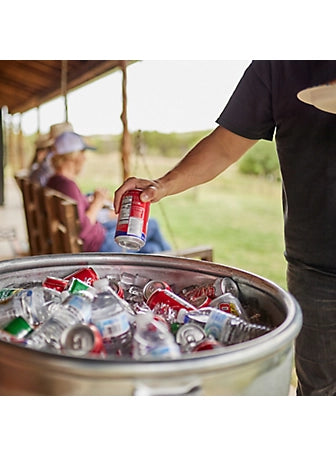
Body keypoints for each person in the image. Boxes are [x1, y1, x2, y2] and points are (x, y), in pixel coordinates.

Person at [113, 60, 336, 396]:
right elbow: (225, 145)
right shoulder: (280, 63)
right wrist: (162, 185)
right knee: (321, 391)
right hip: (317, 268)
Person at [47, 130, 171, 253]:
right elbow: (83, 229)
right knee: (153, 224)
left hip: (96, 236)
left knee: (153, 249)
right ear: (72, 156)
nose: (85, 158)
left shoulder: (54, 182)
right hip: (99, 246)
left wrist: (90, 200)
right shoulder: (67, 185)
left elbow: (77, 213)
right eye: (82, 152)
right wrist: (98, 201)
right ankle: (175, 260)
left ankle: (168, 259)